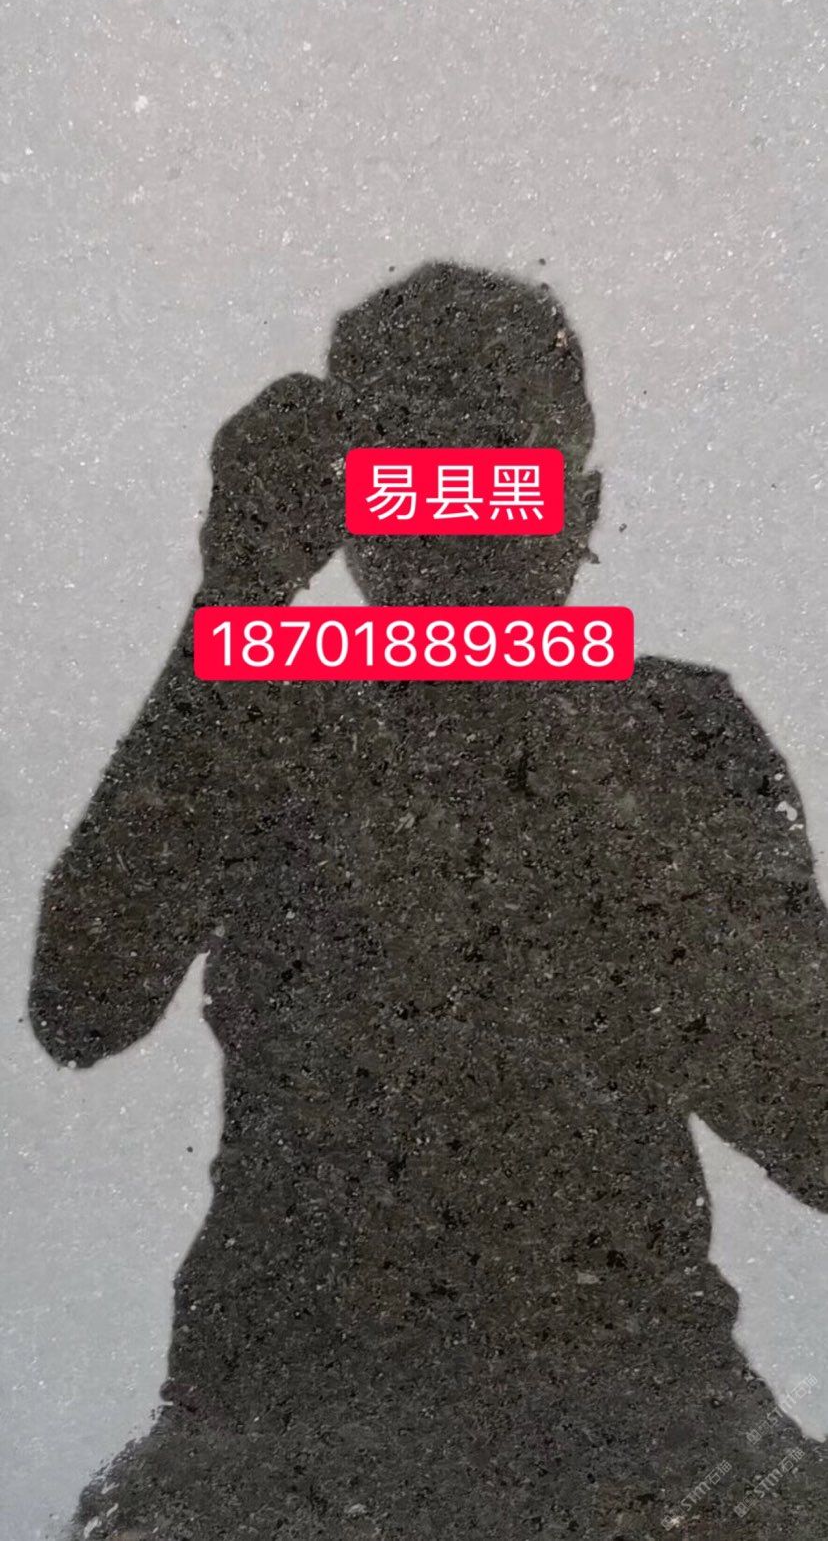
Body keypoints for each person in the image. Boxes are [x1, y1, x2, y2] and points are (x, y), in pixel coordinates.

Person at [30, 264, 828, 1539]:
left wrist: (245, 608)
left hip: (487, 1417)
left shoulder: (664, 728)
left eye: (497, 478)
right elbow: (80, 1004)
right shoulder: (278, 713)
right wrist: (234, 605)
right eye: (424, 479)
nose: (461, 526)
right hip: (389, 1423)